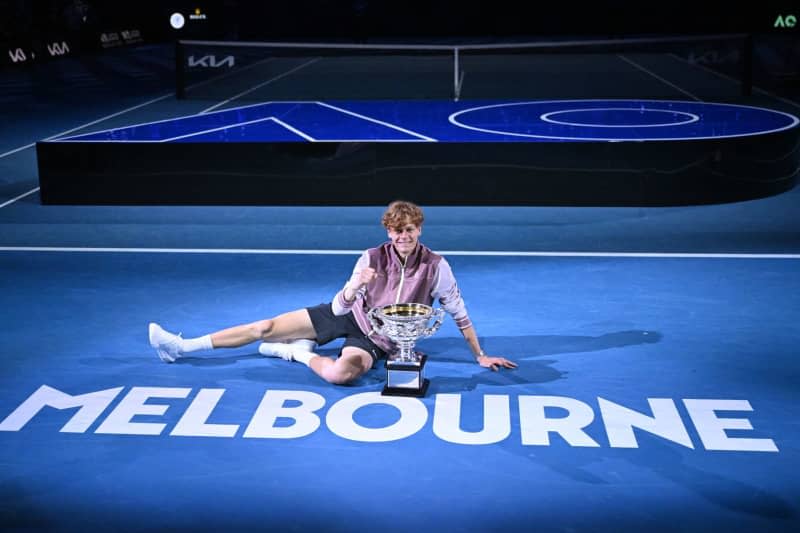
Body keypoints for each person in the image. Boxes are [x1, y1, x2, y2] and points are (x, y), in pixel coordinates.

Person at [148, 200, 517, 385]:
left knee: (342, 375)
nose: (403, 237)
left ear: (419, 229)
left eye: (410, 230)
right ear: (389, 232)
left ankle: (295, 355)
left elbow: (459, 312)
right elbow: (342, 305)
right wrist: (355, 286)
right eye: (397, 231)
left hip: (379, 340)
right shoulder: (371, 257)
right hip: (347, 315)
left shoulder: (437, 265)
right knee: (263, 327)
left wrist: (480, 355)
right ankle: (180, 347)